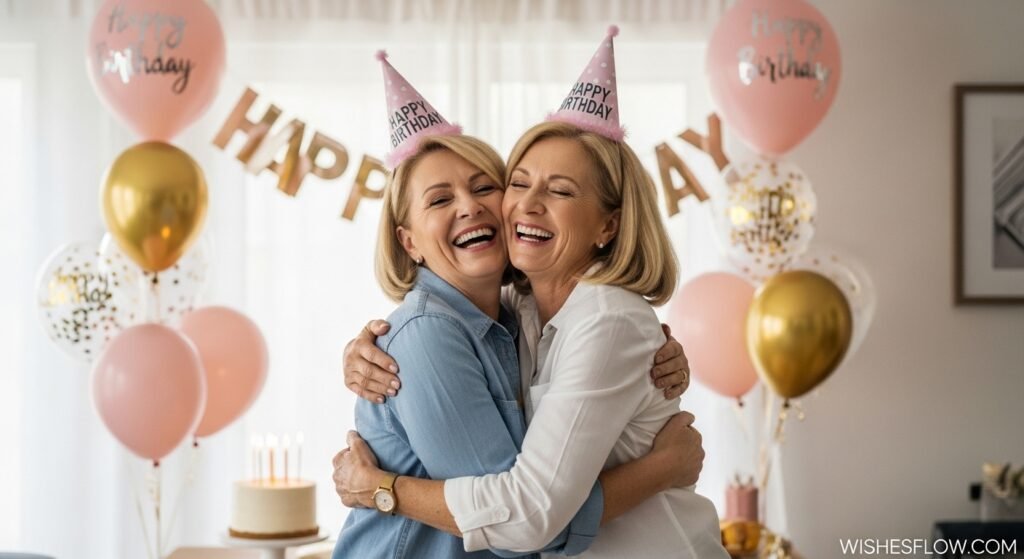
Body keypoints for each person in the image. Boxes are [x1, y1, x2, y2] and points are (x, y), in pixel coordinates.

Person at [334, 29, 729, 558]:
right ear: (409, 241)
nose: (522, 204)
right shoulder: (488, 320)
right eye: (519, 182)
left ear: (608, 226)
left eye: (484, 187)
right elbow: (525, 524)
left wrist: (385, 491)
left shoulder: (586, 318)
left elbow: (525, 519)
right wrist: (660, 470)